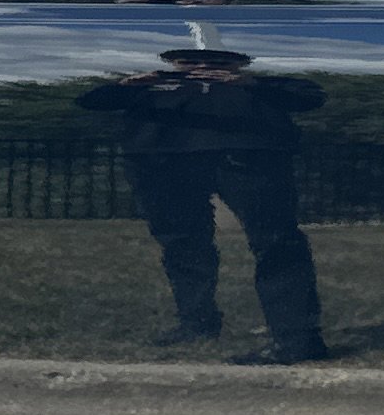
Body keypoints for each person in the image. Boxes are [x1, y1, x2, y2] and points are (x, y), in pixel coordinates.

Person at [80, 45, 328, 362]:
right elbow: (91, 102)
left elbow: (311, 97)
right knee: (182, 242)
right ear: (173, 63)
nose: (202, 66)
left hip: (249, 160)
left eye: (217, 61)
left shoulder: (257, 87)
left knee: (276, 242)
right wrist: (126, 86)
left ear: (239, 64)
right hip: (163, 162)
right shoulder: (152, 86)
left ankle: (297, 340)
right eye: (190, 61)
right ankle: (196, 322)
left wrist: (249, 84)